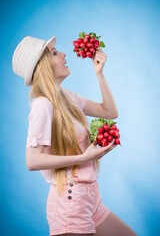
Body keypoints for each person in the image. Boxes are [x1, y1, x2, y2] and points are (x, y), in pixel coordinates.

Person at [12, 35, 138, 236]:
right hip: (71, 202)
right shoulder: (43, 105)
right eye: (54, 53)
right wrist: (84, 158)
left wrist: (99, 73)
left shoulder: (69, 98)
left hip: (91, 198)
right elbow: (32, 160)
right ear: (44, 66)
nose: (63, 54)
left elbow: (110, 111)